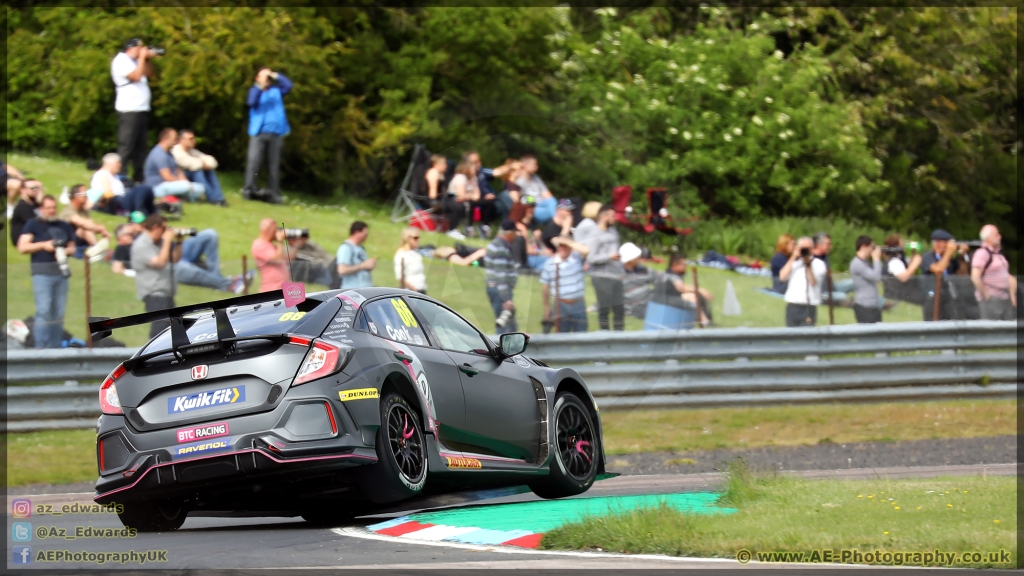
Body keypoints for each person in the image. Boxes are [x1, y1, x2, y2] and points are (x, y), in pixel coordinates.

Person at [115, 223, 247, 294]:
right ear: (121, 238)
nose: (133, 234)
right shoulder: (123, 248)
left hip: (178, 249)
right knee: (181, 267)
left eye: (132, 231)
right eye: (129, 233)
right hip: (170, 263)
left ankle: (217, 278)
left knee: (210, 234)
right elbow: (116, 268)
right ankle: (229, 284)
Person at [17, 195, 76, 348]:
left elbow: (72, 247)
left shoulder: (63, 225)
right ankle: (40, 347)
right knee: (44, 310)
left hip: (61, 273)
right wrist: (44, 245)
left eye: (54, 208)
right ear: (42, 209)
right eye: (48, 208)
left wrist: (64, 251)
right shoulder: (33, 224)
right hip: (42, 272)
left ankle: (55, 347)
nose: (51, 211)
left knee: (58, 312)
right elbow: (22, 247)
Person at [111, 38, 159, 183]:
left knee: (140, 146)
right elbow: (136, 77)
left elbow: (149, 74)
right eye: (140, 48)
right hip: (128, 109)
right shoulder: (121, 60)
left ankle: (139, 175)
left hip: (141, 108)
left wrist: (147, 59)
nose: (142, 50)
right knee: (127, 145)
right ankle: (121, 174)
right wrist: (143, 57)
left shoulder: (136, 61)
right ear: (130, 48)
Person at [243, 67, 293, 204]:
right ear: (257, 79)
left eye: (268, 78)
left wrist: (274, 75)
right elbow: (251, 102)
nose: (267, 80)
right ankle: (249, 190)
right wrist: (261, 86)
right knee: (254, 162)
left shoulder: (276, 91)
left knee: (274, 165)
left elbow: (288, 85)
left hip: (276, 133)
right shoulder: (254, 91)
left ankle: (273, 193)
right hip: (258, 133)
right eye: (264, 77)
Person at [131, 215, 182, 337]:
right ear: (155, 227)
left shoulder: (160, 243)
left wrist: (180, 242)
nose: (167, 232)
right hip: (154, 294)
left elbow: (175, 259)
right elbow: (160, 262)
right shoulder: (141, 244)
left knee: (174, 329)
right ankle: (152, 353)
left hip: (167, 293)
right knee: (160, 329)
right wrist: (168, 241)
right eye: (164, 228)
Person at [584, 203, 625, 331]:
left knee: (619, 310)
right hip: (601, 277)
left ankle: (620, 338)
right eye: (613, 216)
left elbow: (616, 254)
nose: (616, 218)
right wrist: (609, 256)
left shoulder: (613, 231)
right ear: (603, 217)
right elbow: (590, 258)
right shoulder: (594, 234)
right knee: (604, 310)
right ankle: (605, 337)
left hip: (616, 276)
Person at [540, 236, 590, 333]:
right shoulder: (550, 263)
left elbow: (586, 250)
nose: (563, 248)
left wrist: (567, 242)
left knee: (582, 338)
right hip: (560, 305)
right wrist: (546, 308)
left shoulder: (577, 259)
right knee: (561, 338)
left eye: (565, 246)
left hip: (578, 304)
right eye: (561, 246)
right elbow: (545, 287)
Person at [649, 253, 712, 327]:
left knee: (694, 296)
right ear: (675, 265)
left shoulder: (672, 275)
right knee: (692, 297)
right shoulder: (670, 276)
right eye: (684, 265)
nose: (686, 267)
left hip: (667, 301)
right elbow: (682, 288)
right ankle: (704, 322)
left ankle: (704, 320)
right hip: (663, 303)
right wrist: (699, 290)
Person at [144, 128, 208, 201]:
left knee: (200, 188)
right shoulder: (159, 154)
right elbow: (167, 177)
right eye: (174, 139)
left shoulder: (169, 153)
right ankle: (189, 198)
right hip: (158, 187)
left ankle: (183, 196)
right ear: (165, 139)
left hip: (171, 185)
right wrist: (185, 184)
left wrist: (186, 182)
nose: (176, 142)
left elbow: (178, 171)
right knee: (186, 187)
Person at [920, 229, 969, 321]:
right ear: (937, 242)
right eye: (946, 242)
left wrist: (961, 256)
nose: (949, 246)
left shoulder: (949, 259)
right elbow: (938, 270)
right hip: (933, 300)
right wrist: (949, 252)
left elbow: (963, 274)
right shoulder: (928, 256)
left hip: (948, 300)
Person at [971, 225, 1017, 320]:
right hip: (992, 299)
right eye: (996, 234)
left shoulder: (999, 254)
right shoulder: (982, 253)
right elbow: (975, 277)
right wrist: (987, 296)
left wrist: (1012, 295)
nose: (1000, 236)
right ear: (988, 238)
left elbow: (1007, 276)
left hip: (1004, 298)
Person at [780, 236, 827, 327]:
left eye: (807, 248)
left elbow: (812, 282)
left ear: (812, 249)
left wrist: (807, 263)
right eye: (802, 248)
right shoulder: (794, 262)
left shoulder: (818, 264)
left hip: (808, 307)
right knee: (791, 336)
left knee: (806, 338)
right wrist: (793, 257)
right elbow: (782, 277)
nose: (805, 251)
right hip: (792, 305)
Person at [88, 153, 156, 216]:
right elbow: (107, 193)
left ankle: (151, 213)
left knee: (146, 190)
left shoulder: (114, 175)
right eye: (117, 163)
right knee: (143, 188)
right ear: (109, 164)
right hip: (116, 202)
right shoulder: (103, 174)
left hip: (121, 200)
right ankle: (141, 211)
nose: (120, 165)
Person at [172, 129, 227, 206]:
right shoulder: (176, 151)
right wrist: (203, 164)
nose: (194, 141)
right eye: (190, 139)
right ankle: (214, 199)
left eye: (193, 138)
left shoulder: (192, 151)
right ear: (182, 140)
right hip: (178, 180)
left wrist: (204, 164)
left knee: (209, 170)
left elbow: (212, 161)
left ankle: (219, 198)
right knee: (197, 171)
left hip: (188, 178)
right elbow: (193, 164)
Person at [484, 220, 520, 334]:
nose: (515, 236)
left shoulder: (494, 244)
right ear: (509, 233)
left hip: (495, 289)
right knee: (505, 326)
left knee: (508, 324)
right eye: (515, 233)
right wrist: (506, 298)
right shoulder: (501, 249)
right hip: (500, 291)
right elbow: (501, 275)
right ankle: (501, 350)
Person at [59, 185, 110, 257]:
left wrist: (101, 228)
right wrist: (100, 228)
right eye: (84, 194)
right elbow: (83, 223)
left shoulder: (84, 210)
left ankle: (98, 250)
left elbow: (92, 226)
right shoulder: (68, 211)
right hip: (66, 241)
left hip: (78, 240)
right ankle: (98, 252)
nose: (87, 196)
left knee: (86, 228)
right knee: (84, 228)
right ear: (76, 196)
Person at [252, 218, 298, 292]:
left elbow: (286, 260)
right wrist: (280, 240)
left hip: (284, 289)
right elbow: (278, 259)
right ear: (267, 230)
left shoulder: (271, 245)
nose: (277, 232)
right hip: (271, 291)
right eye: (275, 230)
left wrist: (296, 245)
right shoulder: (259, 245)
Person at [443, 158, 482, 240]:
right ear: (467, 169)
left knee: (482, 203)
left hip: (463, 201)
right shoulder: (460, 177)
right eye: (473, 168)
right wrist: (471, 195)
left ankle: (467, 228)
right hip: (451, 199)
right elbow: (461, 196)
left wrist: (470, 196)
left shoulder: (473, 178)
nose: (475, 169)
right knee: (459, 206)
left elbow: (477, 195)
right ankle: (452, 230)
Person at [619, 242, 658, 320]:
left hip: (650, 301)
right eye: (636, 255)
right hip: (635, 308)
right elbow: (609, 294)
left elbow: (659, 277)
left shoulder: (642, 269)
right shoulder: (618, 274)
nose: (639, 256)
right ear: (629, 259)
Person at [849, 235, 883, 323]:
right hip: (864, 307)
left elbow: (878, 272)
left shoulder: (866, 263)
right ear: (863, 247)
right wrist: (876, 259)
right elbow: (876, 276)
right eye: (871, 247)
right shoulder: (857, 263)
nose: (873, 250)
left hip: (873, 306)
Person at [515, 154, 558, 225]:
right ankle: (559, 219)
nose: (537, 166)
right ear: (525, 165)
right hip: (533, 209)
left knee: (561, 203)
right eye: (534, 164)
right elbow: (521, 200)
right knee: (558, 209)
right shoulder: (518, 181)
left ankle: (557, 219)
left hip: (544, 205)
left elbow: (549, 196)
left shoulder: (536, 178)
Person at [336, 221, 376, 289]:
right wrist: (363, 265)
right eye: (365, 233)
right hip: (351, 290)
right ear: (356, 232)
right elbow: (342, 270)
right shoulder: (346, 248)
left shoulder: (361, 248)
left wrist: (369, 265)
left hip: (365, 290)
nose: (366, 236)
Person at [393, 227, 427, 293]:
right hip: (411, 291)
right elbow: (400, 277)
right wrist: (414, 290)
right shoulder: (401, 254)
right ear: (407, 238)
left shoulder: (416, 253)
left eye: (418, 238)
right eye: (415, 238)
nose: (418, 240)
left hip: (421, 289)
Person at [9, 179, 43, 246]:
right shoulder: (23, 206)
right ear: (23, 190)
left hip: (32, 236)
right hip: (21, 240)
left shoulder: (33, 203)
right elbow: (35, 224)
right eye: (32, 188)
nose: (35, 190)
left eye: (37, 188)